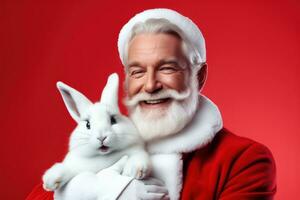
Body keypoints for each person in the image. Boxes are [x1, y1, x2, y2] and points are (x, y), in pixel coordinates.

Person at [26, 8, 276, 200]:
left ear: (198, 76)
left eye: (167, 68)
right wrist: (103, 191)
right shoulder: (106, 142)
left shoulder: (244, 160)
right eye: (137, 72)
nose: (150, 85)